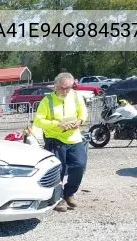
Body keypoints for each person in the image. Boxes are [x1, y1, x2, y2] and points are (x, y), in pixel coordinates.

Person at [33, 72, 88, 212]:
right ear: (55, 86)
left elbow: (83, 113)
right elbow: (38, 120)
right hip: (55, 140)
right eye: (61, 88)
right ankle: (58, 198)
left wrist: (79, 121)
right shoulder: (47, 101)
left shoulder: (76, 96)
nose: (65, 91)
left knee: (79, 166)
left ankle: (69, 193)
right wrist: (57, 125)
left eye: (68, 88)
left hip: (74, 139)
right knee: (58, 171)